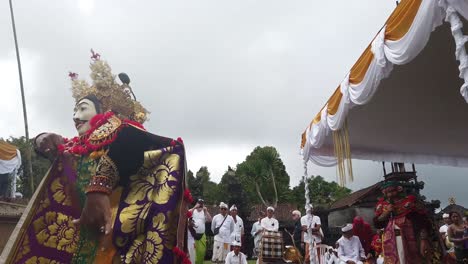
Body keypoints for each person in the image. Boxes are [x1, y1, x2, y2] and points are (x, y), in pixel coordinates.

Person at [2, 51, 188, 263]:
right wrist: (41, 138)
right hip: (76, 244)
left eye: (83, 108)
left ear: (105, 112)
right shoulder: (76, 148)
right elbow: (53, 150)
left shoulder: (123, 134)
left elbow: (144, 141)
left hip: (115, 246)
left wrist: (100, 186)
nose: (75, 116)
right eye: (74, 110)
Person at [374, 181, 434, 264]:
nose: (391, 194)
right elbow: (377, 223)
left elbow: (422, 220)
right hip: (392, 240)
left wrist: (423, 239)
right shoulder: (381, 205)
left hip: (412, 237)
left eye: (393, 191)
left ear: (398, 190)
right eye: (388, 192)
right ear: (385, 193)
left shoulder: (409, 201)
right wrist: (387, 212)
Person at [190, 198, 212, 264]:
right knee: (193, 252)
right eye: (199, 203)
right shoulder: (193, 210)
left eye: (201, 204)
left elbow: (210, 220)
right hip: (193, 235)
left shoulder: (204, 212)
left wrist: (206, 211)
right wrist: (194, 207)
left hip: (202, 235)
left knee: (201, 252)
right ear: (197, 203)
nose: (200, 205)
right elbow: (186, 214)